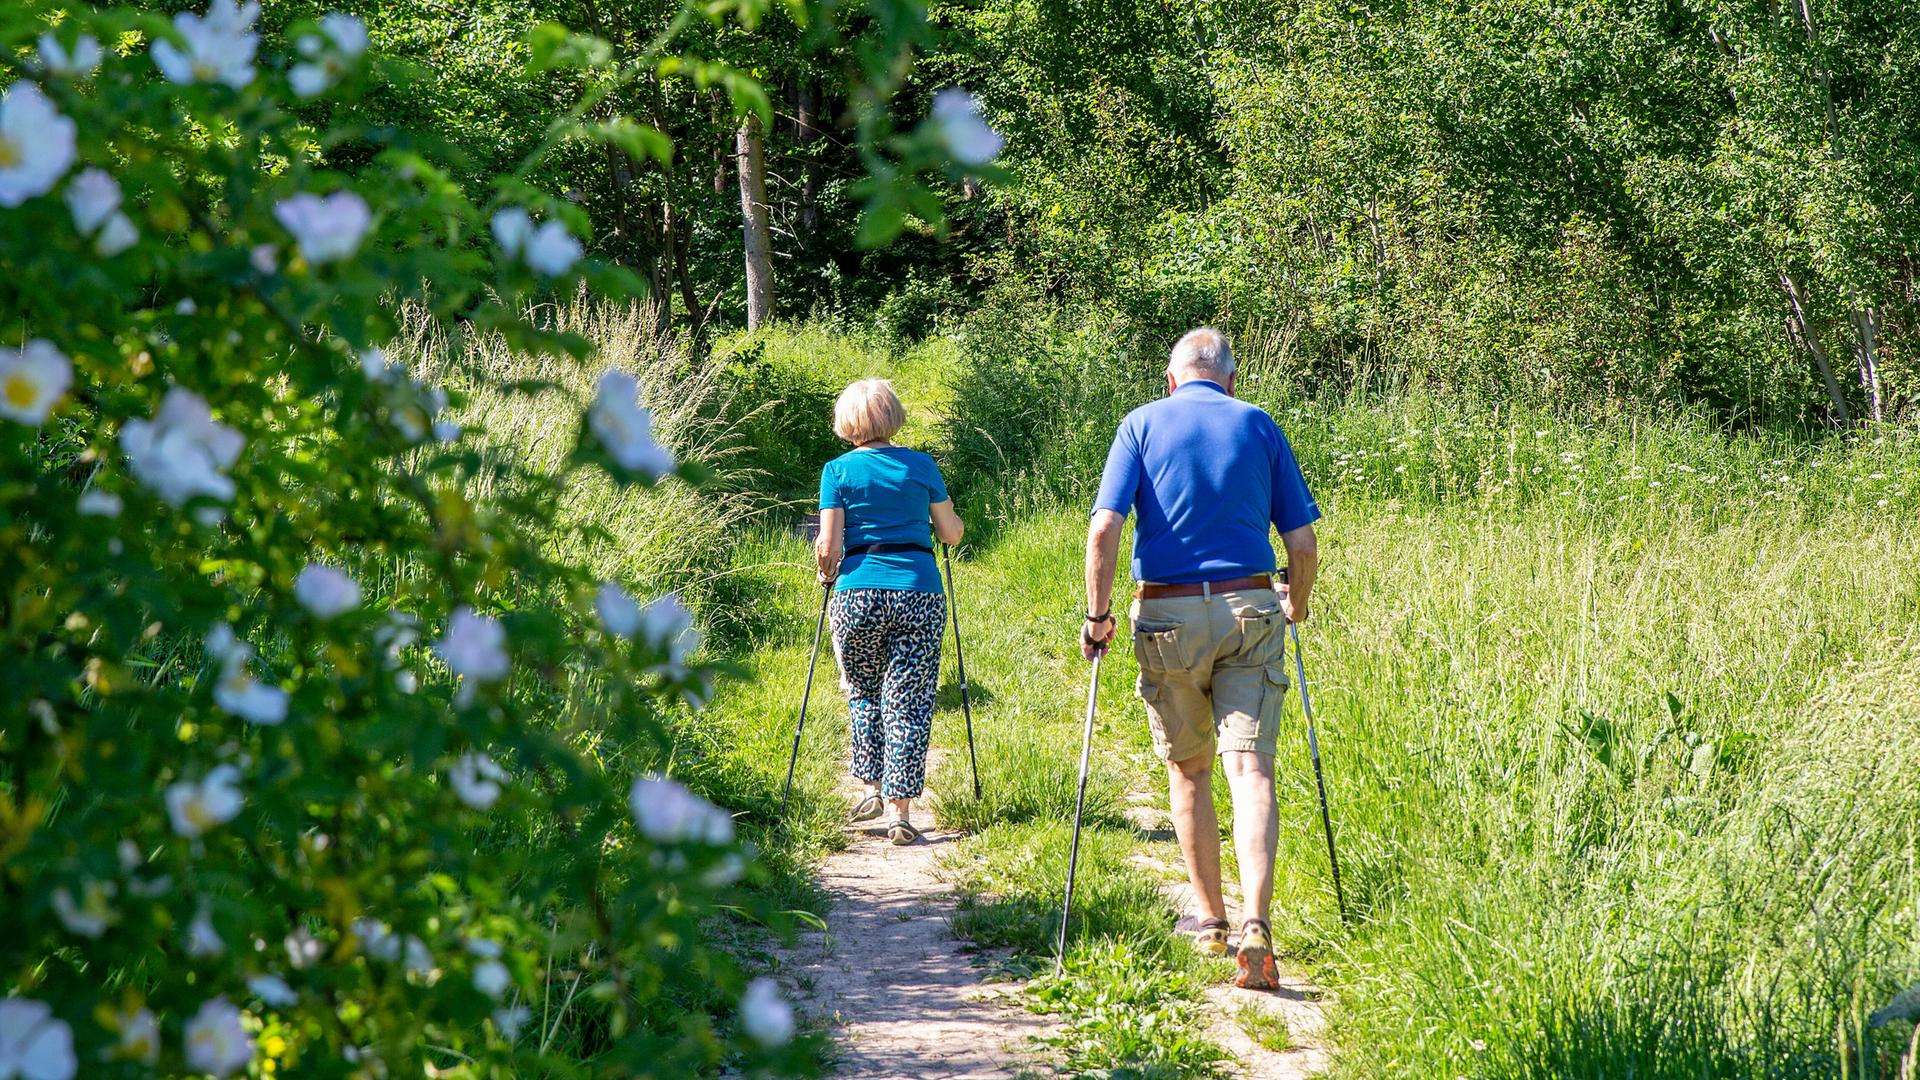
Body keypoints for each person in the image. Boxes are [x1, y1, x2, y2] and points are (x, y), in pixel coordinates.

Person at [1080, 327, 1319, 990]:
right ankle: (1257, 926)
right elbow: (1302, 544)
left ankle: (1212, 922)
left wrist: (1098, 616)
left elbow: (1104, 528)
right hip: (1250, 609)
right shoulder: (1258, 424)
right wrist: (1295, 605)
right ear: (1232, 381)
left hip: (1167, 614)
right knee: (1252, 770)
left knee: (1190, 772)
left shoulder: (1140, 424)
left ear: (1171, 380)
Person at [814, 379, 965, 845]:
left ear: (847, 422)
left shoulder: (837, 471)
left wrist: (825, 572)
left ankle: (871, 789)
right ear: (893, 416)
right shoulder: (921, 465)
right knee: (910, 698)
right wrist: (950, 521)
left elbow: (828, 546)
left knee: (863, 690)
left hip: (857, 592)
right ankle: (901, 813)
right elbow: (950, 533)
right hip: (918, 591)